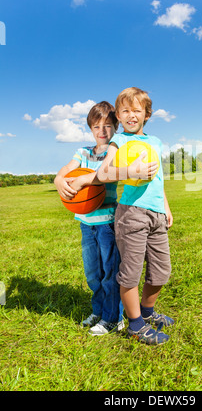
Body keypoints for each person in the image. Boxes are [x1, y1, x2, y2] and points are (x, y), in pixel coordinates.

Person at [96, 87, 174, 345]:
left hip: (156, 214)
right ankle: (136, 325)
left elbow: (158, 179)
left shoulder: (156, 142)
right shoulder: (120, 142)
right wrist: (131, 171)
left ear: (147, 114)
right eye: (125, 110)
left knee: (162, 271)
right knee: (130, 273)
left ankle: (148, 312)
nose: (131, 115)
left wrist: (166, 207)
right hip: (131, 214)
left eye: (136, 110)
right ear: (118, 115)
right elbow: (104, 174)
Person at [54, 101, 124, 335]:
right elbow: (66, 168)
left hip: (107, 223)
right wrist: (58, 180)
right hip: (86, 223)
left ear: (116, 127)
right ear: (90, 129)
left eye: (107, 126)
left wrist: (85, 180)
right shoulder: (83, 152)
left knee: (110, 273)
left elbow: (103, 175)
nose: (102, 131)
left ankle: (113, 317)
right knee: (93, 273)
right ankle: (99, 310)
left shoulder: (115, 152)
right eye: (96, 127)